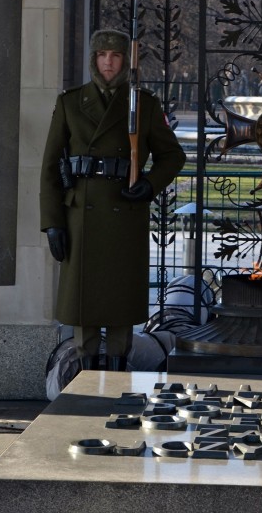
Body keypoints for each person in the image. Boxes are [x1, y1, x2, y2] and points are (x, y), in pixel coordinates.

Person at [40, 28, 186, 370]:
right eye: (102, 55)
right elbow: (49, 168)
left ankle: (119, 377)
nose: (108, 61)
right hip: (81, 218)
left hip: (125, 213)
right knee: (83, 308)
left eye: (116, 55)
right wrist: (52, 223)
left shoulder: (143, 104)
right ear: (94, 59)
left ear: (124, 61)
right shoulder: (70, 102)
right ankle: (84, 378)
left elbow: (173, 156)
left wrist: (149, 185)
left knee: (120, 309)